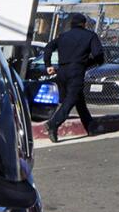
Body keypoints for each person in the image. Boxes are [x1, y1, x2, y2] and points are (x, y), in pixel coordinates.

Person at [44, 12, 104, 142]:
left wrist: (48, 64)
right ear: (84, 24)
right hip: (76, 70)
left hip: (61, 71)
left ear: (71, 24)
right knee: (71, 100)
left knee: (78, 99)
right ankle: (54, 123)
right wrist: (88, 63)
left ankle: (90, 126)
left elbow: (48, 47)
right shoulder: (90, 36)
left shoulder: (63, 36)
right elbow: (98, 54)